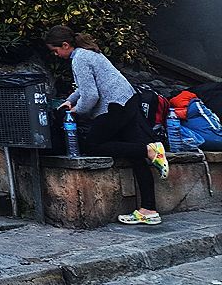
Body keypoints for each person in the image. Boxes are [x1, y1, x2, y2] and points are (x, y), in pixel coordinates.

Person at [46, 25, 168, 225]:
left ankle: (150, 150)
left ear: (65, 45)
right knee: (134, 155)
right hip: (127, 101)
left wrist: (77, 110)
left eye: (55, 50)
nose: (56, 54)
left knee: (92, 146)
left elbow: (91, 95)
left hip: (113, 107)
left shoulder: (80, 59)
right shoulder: (89, 53)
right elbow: (85, 88)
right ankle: (149, 209)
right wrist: (69, 100)